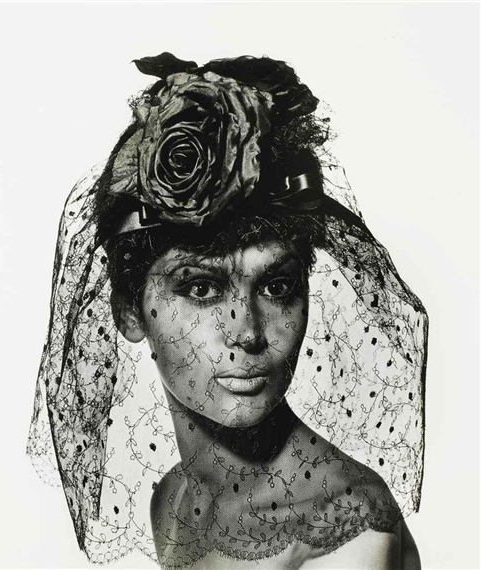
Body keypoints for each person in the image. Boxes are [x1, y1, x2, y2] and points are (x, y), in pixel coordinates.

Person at [27, 53, 428, 569]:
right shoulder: (173, 499)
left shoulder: (345, 534)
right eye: (201, 288)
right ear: (129, 310)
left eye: (277, 286)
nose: (248, 332)